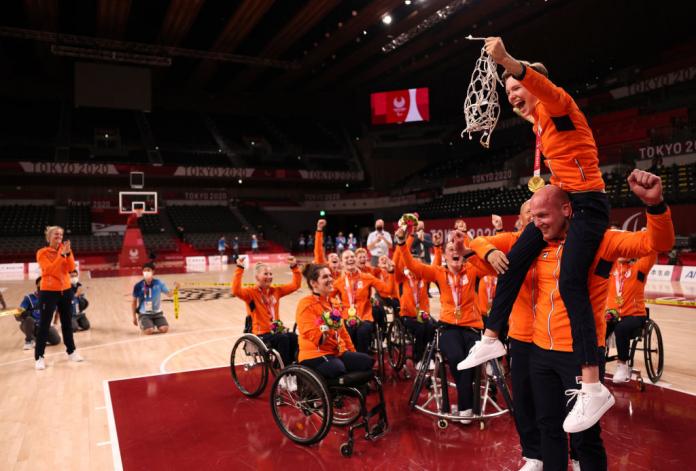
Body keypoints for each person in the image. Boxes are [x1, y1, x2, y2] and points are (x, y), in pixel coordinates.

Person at [470, 170, 673, 470]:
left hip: (580, 355)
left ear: (566, 210)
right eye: (532, 217)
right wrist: (487, 252)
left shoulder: (602, 240)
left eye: (542, 215)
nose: (536, 223)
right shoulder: (533, 243)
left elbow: (656, 243)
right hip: (539, 352)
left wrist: (655, 207)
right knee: (549, 427)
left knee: (586, 436)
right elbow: (474, 252)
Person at [460, 36, 614, 432]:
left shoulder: (561, 107)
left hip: (588, 205)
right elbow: (531, 107)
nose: (511, 94)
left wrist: (509, 61)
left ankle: (593, 386)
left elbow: (545, 90)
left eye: (516, 87)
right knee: (513, 261)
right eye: (508, 90)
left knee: (570, 283)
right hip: (566, 204)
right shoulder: (541, 120)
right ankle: (493, 335)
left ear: (534, 85)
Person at [395, 222, 496, 423]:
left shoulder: (473, 270)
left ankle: (465, 406)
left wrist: (467, 251)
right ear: (445, 255)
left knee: (470, 359)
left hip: (473, 328)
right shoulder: (439, 273)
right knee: (458, 358)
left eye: (457, 248)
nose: (454, 251)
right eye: (450, 249)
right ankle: (466, 407)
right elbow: (412, 265)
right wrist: (401, 242)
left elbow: (491, 267)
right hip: (448, 328)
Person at [296, 263, 374, 379]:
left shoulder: (334, 303)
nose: (330, 279)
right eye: (325, 277)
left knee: (367, 361)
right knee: (338, 367)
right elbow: (318, 339)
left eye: (330, 276)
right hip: (314, 354)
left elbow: (343, 332)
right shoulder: (306, 304)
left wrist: (352, 351)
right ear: (313, 283)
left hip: (336, 352)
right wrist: (328, 325)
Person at [231, 255, 301, 366]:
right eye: (265, 274)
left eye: (270, 274)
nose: (269, 276)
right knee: (283, 339)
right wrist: (240, 268)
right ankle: (284, 371)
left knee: (294, 337)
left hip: (275, 331)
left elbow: (296, 285)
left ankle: (291, 367)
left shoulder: (276, 291)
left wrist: (294, 267)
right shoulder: (251, 293)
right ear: (257, 277)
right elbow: (235, 290)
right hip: (261, 334)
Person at [604, 251, 658, 383]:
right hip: (613, 312)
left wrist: (648, 238)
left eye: (627, 250)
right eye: (620, 250)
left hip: (635, 314)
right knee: (598, 325)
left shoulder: (639, 268)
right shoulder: (611, 268)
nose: (623, 253)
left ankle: (622, 365)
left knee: (621, 329)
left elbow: (651, 254)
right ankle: (595, 361)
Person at [34, 226, 83, 370]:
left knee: (67, 323)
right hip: (48, 292)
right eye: (56, 234)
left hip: (66, 291)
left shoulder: (65, 250)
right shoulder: (42, 252)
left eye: (61, 234)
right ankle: (39, 357)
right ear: (49, 237)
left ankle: (71, 351)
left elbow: (70, 268)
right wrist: (61, 255)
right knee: (44, 325)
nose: (59, 236)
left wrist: (67, 255)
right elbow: (49, 270)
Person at [393, 231, 442, 366]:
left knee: (432, 327)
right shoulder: (401, 278)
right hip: (408, 316)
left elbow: (436, 267)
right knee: (421, 329)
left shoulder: (425, 278)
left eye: (419, 263)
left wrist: (437, 248)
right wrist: (405, 240)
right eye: (413, 263)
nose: (416, 265)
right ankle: (418, 358)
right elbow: (397, 262)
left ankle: (430, 358)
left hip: (424, 315)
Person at [333, 249, 394, 354]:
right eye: (346, 258)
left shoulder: (367, 277)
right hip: (346, 317)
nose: (350, 259)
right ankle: (351, 359)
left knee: (363, 331)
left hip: (365, 316)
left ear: (356, 259)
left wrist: (390, 273)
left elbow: (387, 290)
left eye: (352, 257)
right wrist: (337, 305)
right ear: (342, 263)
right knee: (346, 332)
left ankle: (362, 359)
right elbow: (329, 298)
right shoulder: (338, 282)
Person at [131, 262, 179, 335]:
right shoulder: (138, 286)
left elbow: (169, 294)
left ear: (153, 271)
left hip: (157, 313)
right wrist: (134, 317)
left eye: (148, 270)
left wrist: (176, 288)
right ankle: (146, 323)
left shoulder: (159, 283)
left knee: (164, 329)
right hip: (144, 314)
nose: (146, 272)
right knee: (149, 331)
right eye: (144, 270)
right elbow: (134, 302)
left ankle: (152, 323)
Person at [17, 277, 61, 350]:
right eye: (41, 283)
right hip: (31, 325)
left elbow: (57, 310)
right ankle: (29, 341)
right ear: (37, 285)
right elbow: (19, 312)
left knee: (56, 341)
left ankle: (37, 339)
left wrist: (55, 323)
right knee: (29, 319)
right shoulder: (29, 298)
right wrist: (22, 314)